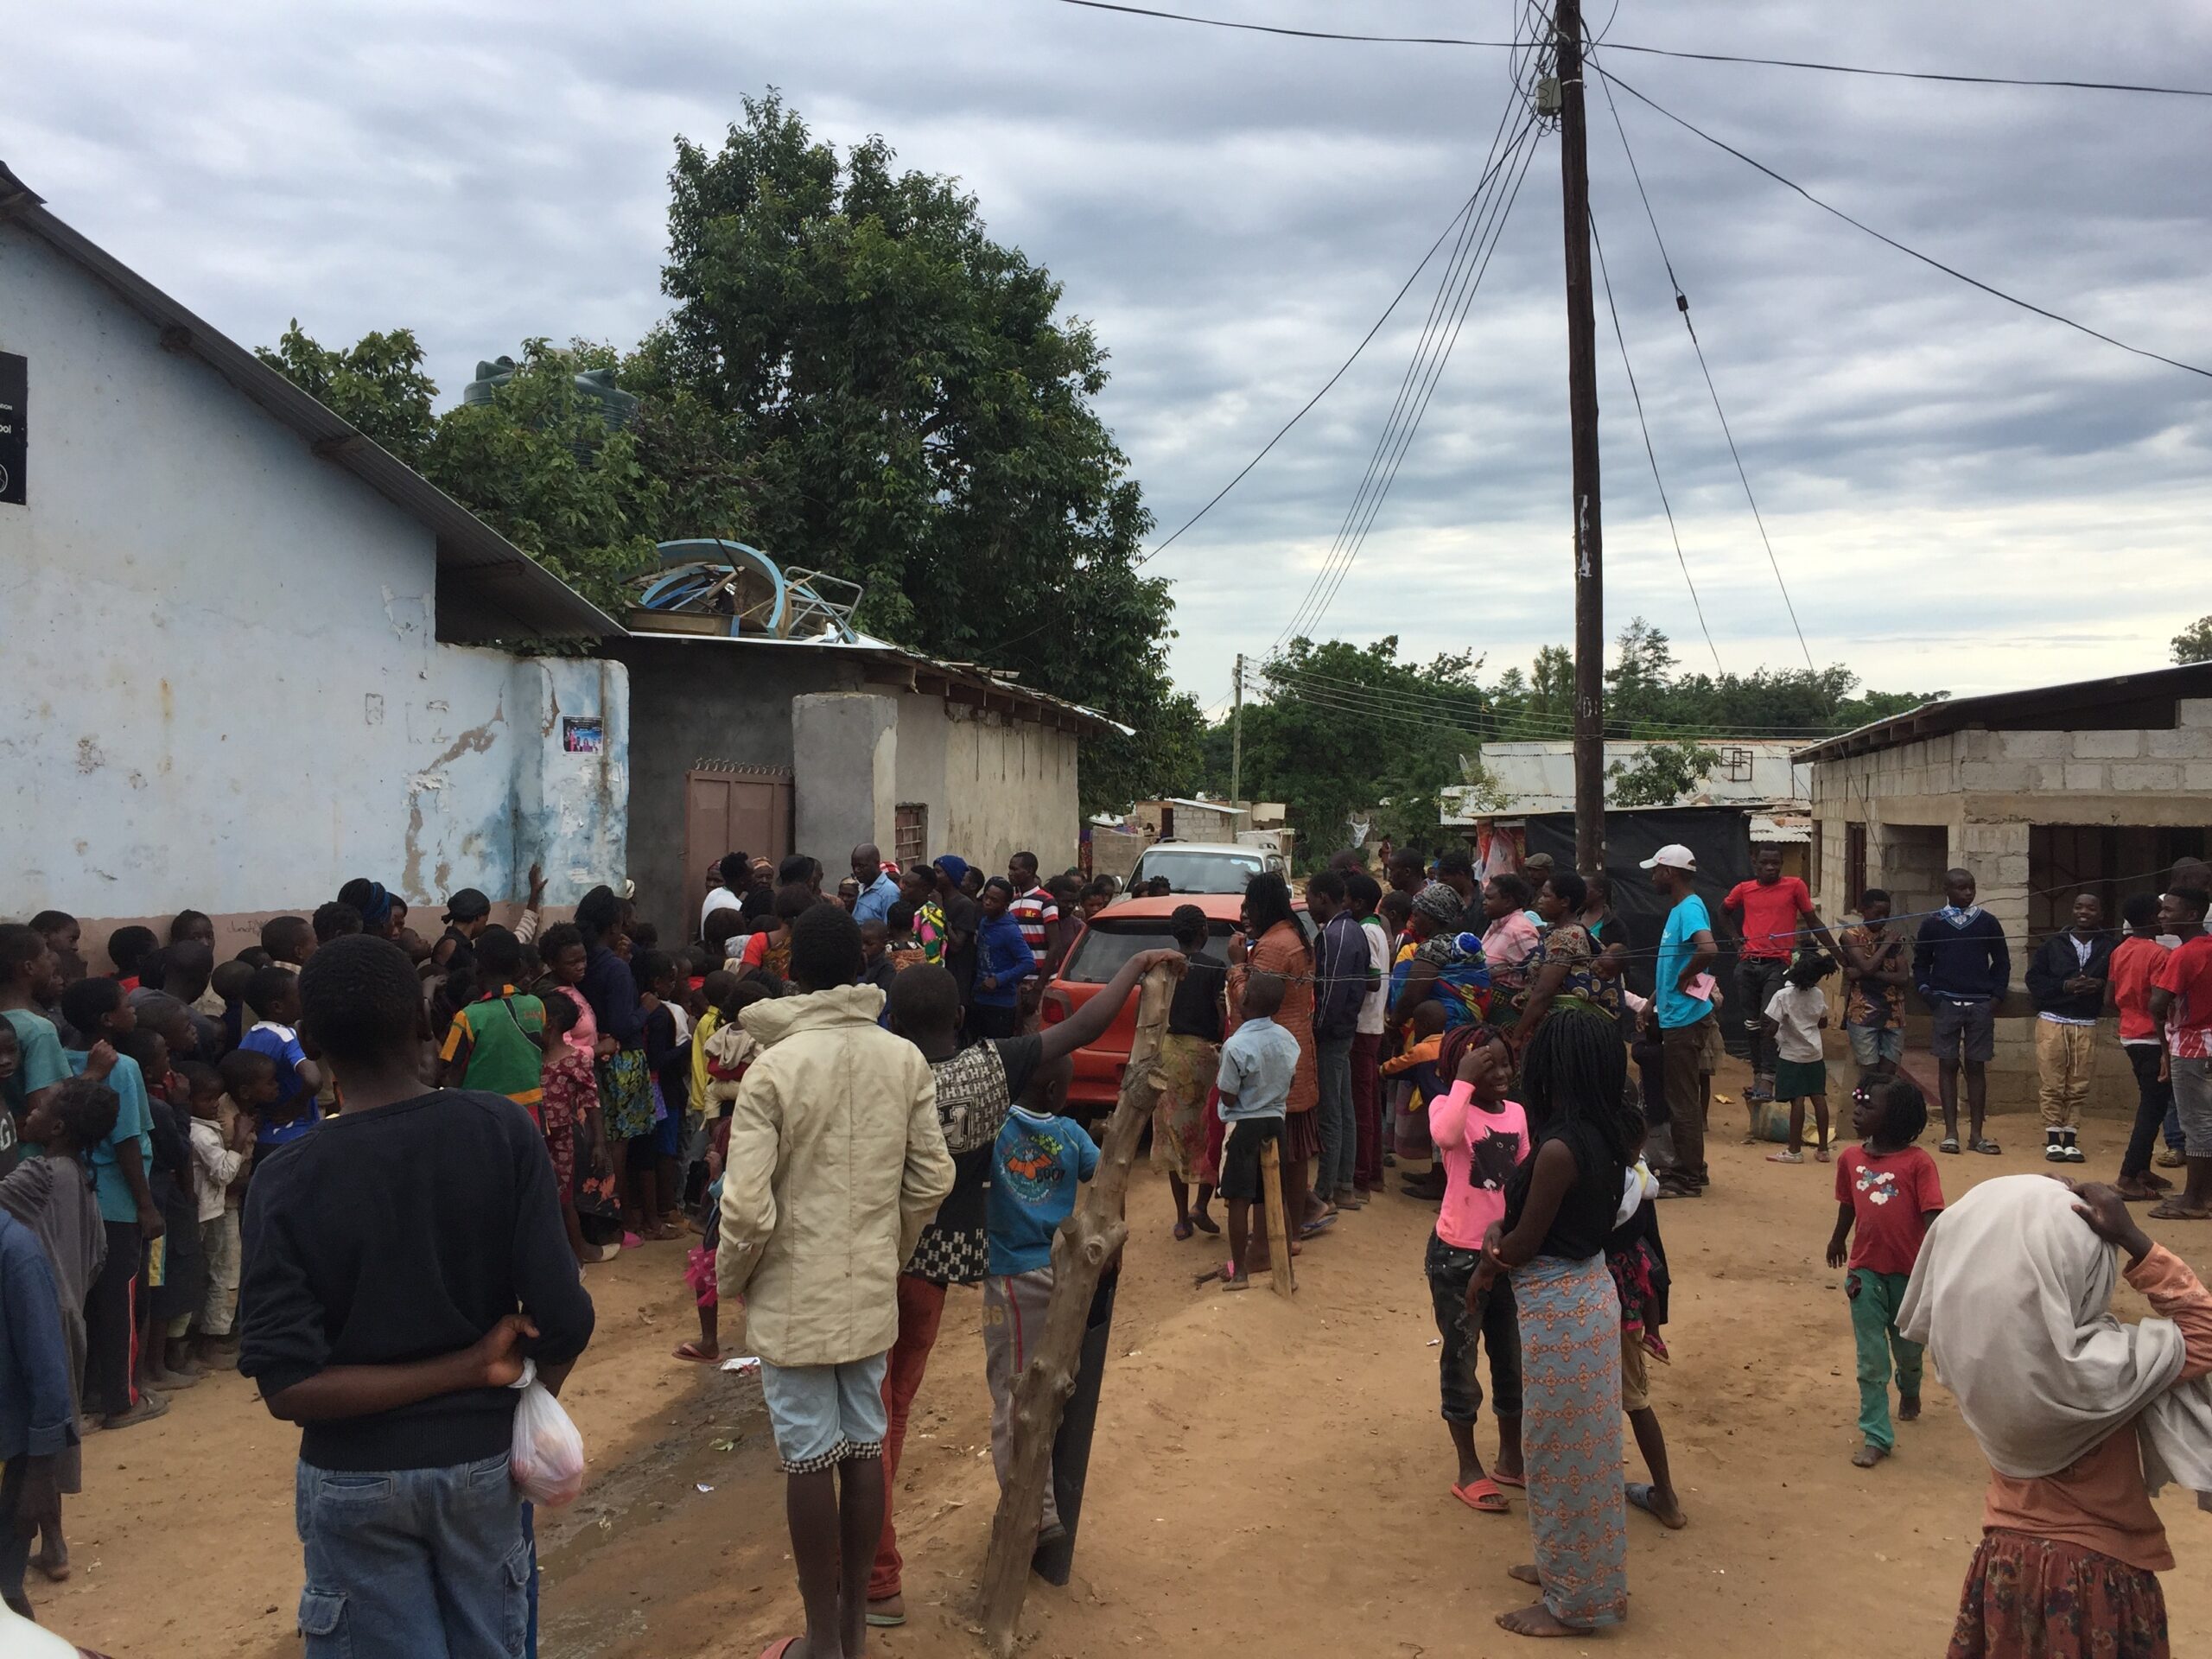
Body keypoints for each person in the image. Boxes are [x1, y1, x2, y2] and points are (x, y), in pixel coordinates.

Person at [240, 935, 595, 1659]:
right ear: (423, 1022)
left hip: (352, 1478)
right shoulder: (497, 1130)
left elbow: (289, 1386)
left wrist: (467, 1373)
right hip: (479, 1465)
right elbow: (565, 1318)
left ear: (311, 1044)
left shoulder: (285, 1177)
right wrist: (491, 1384)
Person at [870, 949, 1180, 1624]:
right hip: (930, 1274)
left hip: (866, 1262)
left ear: (892, 1018)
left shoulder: (880, 1072)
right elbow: (1084, 1027)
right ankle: (880, 1572)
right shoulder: (990, 1073)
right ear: (958, 1015)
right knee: (891, 1413)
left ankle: (873, 1570)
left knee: (863, 1417)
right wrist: (1134, 969)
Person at [715, 906, 955, 1659]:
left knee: (808, 1458)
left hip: (794, 1293)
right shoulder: (901, 1058)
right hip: (867, 1286)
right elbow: (931, 1178)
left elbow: (747, 1209)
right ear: (861, 965)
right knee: (861, 1447)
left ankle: (820, 1642)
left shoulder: (774, 1069)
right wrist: (888, 1247)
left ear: (793, 972)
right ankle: (852, 1634)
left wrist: (734, 1280)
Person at [1899, 1176, 2212, 1659]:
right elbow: (2204, 1330)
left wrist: (2025, 1201)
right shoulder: (2112, 1368)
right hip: (2099, 1580)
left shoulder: (1966, 1353)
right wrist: (2135, 1240)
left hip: (2003, 1568)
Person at [1474, 1010, 1634, 1637]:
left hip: (1561, 1310)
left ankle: (1576, 1604)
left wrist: (1491, 1240)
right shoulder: (1605, 1135)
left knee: (1562, 1452)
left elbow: (1519, 1246)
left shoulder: (1560, 1148)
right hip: (1585, 1296)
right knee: (1573, 1452)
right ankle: (1562, 1568)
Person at [0, 1076, 117, 1588]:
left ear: (58, 1126)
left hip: (35, 1318)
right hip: (72, 1315)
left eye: (41, 1107)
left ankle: (44, 1544)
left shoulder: (39, 1174)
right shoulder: (80, 1177)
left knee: (34, 1434)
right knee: (53, 1426)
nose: (31, 1111)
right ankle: (54, 1545)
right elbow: (99, 1254)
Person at [982, 1053, 1096, 1545]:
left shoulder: (996, 1128)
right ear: (1055, 1094)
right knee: (1049, 1385)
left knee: (1013, 1392)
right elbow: (1098, 1168)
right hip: (1061, 1272)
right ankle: (1040, 1503)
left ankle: (1030, 1508)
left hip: (1010, 1276)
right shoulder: (1071, 1134)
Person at [1425, 1027, 1528, 1513]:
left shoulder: (1518, 1115)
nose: (1504, 1074)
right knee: (1461, 1360)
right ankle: (1469, 1467)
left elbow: (1524, 1181)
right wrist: (1463, 1082)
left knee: (1511, 1358)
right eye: (1491, 1067)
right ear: (1464, 1070)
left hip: (1506, 1255)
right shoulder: (1449, 1110)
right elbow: (1445, 1136)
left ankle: (1511, 1456)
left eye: (1507, 1064)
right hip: (1456, 1256)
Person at [54, 978, 162, 1429]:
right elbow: (128, 1142)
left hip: (72, 1199)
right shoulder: (124, 1067)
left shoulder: (60, 1064)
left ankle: (87, 1394)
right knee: (122, 1302)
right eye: (125, 1005)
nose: (133, 1010)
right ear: (107, 1021)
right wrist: (146, 1205)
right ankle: (122, 1399)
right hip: (117, 1201)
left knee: (81, 1302)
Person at [1825, 1077, 1943, 1467]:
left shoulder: (1918, 1163)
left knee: (1908, 1349)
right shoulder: (1850, 1159)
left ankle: (1910, 1388)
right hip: (1865, 1272)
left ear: (1894, 1118)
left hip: (1909, 1275)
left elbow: (1932, 1217)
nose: (1857, 1111)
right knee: (1872, 1358)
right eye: (1857, 1104)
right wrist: (1838, 1239)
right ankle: (1876, 1433)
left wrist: (1938, 1264)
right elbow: (1848, 1205)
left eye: (1867, 1107)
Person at [1230, 873, 1324, 1233]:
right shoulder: (1296, 936)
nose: (1245, 913)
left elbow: (1251, 1004)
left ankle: (1275, 1233)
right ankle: (1296, 1225)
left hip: (1273, 1056)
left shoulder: (1271, 947)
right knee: (1296, 1152)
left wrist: (1237, 965)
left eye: (1250, 904)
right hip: (1299, 1049)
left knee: (1272, 1152)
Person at [1607, 1122, 1684, 1530]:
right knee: (1635, 1399)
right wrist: (1655, 1323)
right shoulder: (1641, 1178)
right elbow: (1654, 1255)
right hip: (1630, 1305)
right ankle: (1665, 1495)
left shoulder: (1607, 1180)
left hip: (1601, 1298)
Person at [0, 1201, 70, 1623]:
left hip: (10, 1460)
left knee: (5, 1594)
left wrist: (41, 1475)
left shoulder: (16, 1253)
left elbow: (47, 1372)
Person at [575, 887, 656, 1245]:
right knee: (618, 1144)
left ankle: (602, 1216)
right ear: (614, 924)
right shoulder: (616, 969)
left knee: (599, 1139)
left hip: (593, 1055)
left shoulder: (582, 960)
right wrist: (648, 1009)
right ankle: (617, 1220)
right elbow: (625, 1024)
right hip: (622, 1059)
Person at [1723, 848, 1835, 1103]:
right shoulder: (1744, 889)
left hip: (1778, 964)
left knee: (1768, 1020)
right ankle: (1757, 1073)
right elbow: (1723, 912)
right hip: (1748, 964)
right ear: (1755, 863)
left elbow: (1813, 921)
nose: (1771, 867)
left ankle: (1768, 1078)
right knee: (1751, 1023)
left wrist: (1838, 955)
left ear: (1782, 864)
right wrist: (1736, 940)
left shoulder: (1795, 886)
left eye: (1776, 863)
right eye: (1765, 863)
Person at [1915, 867, 2011, 1157]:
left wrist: (1995, 997)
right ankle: (1951, 1133)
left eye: (1971, 887)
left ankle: (1977, 1134)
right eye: (1960, 888)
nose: (1968, 893)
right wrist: (1928, 995)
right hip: (1946, 1004)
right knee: (1947, 1065)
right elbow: (1921, 963)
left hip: (1980, 1005)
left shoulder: (1988, 923)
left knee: (1977, 1066)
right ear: (1947, 890)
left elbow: (2002, 962)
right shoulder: (1933, 923)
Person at [1214, 971, 1300, 1289]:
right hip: (1275, 1121)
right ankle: (1286, 1274)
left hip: (1244, 1125)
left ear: (1244, 1000)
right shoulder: (1288, 1039)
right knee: (1277, 1198)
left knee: (1239, 1198)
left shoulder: (1236, 1045)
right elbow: (1289, 1081)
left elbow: (1228, 1094)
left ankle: (1240, 1274)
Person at [1644, 845, 1717, 1198]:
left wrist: (1686, 977)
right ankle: (1693, 1168)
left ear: (1669, 873)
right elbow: (1675, 963)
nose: (1652, 877)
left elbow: (1708, 949)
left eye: (1655, 870)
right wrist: (1652, 1002)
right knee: (1680, 1097)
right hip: (1674, 1013)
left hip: (1684, 1020)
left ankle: (1687, 1176)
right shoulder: (1681, 909)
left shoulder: (1688, 909)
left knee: (1681, 1100)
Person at [2027, 891, 2117, 1166]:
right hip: (2052, 1021)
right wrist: (2065, 986)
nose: (2084, 912)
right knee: (2052, 1083)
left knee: (2078, 1084)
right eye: (2079, 907)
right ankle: (2053, 1139)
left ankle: (2071, 1139)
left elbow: (2115, 980)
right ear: (2073, 911)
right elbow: (2034, 980)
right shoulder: (2053, 945)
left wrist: (2099, 985)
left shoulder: (2110, 947)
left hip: (2086, 1023)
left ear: (2100, 914)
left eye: (2091, 908)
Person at [201, 1048, 278, 1363]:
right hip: (221, 1204)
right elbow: (223, 1176)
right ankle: (213, 1340)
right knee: (225, 1268)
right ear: (246, 1090)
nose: (277, 1087)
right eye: (270, 1083)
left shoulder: (243, 1112)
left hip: (230, 1201)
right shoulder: (227, 1120)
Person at [1155, 906, 1226, 1240]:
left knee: (1174, 1136)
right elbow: (1222, 1014)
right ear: (1203, 931)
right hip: (1204, 1056)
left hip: (1169, 1055)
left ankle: (1181, 1219)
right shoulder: (1215, 968)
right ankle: (1201, 1205)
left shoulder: (1164, 965)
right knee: (1209, 1130)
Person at [435, 925, 548, 1115]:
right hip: (530, 1113)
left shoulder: (469, 1016)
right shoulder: (536, 1006)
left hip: (485, 1114)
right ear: (520, 966)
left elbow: (450, 1077)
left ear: (477, 966)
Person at [2150, 886, 2212, 1222]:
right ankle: (2205, 1194)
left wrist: (2163, 1049)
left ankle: (2194, 1200)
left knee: (2196, 1124)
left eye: (2168, 910)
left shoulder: (2184, 954)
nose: (2161, 916)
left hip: (2190, 1045)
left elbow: (2157, 1004)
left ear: (2191, 915)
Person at [1307, 870, 1367, 1213]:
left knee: (1331, 1112)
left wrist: (1317, 1028)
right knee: (1343, 1109)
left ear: (1323, 898)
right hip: (1344, 1030)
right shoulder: (1350, 929)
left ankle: (1326, 1188)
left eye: (1312, 898)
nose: (1311, 905)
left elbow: (1331, 991)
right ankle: (1343, 1185)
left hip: (1333, 1033)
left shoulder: (1336, 934)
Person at [2113, 893, 2178, 1203]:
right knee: (2152, 1108)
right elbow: (2158, 1005)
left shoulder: (2121, 950)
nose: (2164, 917)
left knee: (2152, 1103)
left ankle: (2141, 1170)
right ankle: (2128, 1175)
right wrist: (2166, 1049)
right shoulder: (2159, 955)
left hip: (2130, 1034)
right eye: (2159, 912)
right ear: (2152, 919)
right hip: (2153, 1038)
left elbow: (2112, 994)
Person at [539, 992, 611, 1268]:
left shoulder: (576, 1059)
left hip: (561, 1138)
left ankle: (576, 1257)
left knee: (564, 1198)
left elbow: (592, 1102)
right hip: (537, 1135)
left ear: (551, 1023)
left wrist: (599, 1143)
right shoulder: (533, 1055)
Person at [0, 927, 74, 1182]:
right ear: (28, 967)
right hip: (25, 1167)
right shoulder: (38, 1030)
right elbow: (43, 1118)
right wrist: (92, 1074)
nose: (51, 960)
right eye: (45, 954)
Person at [1511, 871, 1606, 1046]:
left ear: (1564, 902)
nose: (1539, 900)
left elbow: (1544, 993)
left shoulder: (1566, 936)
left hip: (1560, 1032)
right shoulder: (1555, 931)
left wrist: (1517, 1035)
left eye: (1546, 896)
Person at [1762, 952, 1834, 1165]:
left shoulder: (1783, 995)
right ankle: (1823, 1150)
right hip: (1814, 1053)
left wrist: (1770, 1036)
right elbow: (1822, 1023)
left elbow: (1771, 1026)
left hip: (1791, 1054)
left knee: (1797, 1100)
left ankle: (1794, 1151)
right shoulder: (1818, 994)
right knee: (1818, 1097)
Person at [1390, 883, 1491, 1033]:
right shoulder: (1460, 944)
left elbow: (1412, 998)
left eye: (1417, 915)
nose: (1413, 921)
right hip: (1466, 1031)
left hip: (1439, 1031)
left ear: (1431, 918)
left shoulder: (1432, 948)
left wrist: (1393, 1024)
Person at [238, 968, 320, 1147]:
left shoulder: (250, 1037)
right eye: (299, 995)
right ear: (277, 1007)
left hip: (264, 1136)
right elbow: (314, 1080)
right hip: (296, 1134)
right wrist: (297, 1104)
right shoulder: (287, 1036)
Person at [1836, 889, 1910, 1083]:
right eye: (1877, 913)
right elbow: (1867, 966)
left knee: (1888, 1074)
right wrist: (1885, 946)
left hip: (1894, 1011)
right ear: (1863, 910)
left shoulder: (1895, 938)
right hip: (1863, 1011)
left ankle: (1884, 1111)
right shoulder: (1850, 936)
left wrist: (1862, 974)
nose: (1882, 918)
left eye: (1886, 914)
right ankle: (1866, 1108)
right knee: (1869, 1073)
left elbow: (1903, 978)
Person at [1346, 873, 1391, 1196]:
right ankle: (1372, 1169)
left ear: (1358, 903)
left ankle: (1361, 1174)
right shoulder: (1376, 929)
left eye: (1345, 898)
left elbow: (1372, 979)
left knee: (1360, 1104)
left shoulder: (1365, 931)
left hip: (1363, 1026)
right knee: (1368, 1101)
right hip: (1372, 1025)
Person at [971, 878, 1037, 1040]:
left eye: (994, 900)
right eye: (986, 897)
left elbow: (1028, 962)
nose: (987, 902)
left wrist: (999, 980)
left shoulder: (1010, 931)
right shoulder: (985, 922)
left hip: (1001, 1003)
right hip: (979, 997)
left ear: (1006, 904)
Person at [1480, 874, 1541, 997]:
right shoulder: (1498, 923)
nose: (1484, 903)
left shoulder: (1519, 930)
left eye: (1489, 898)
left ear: (1508, 901)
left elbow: (1536, 973)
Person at [431, 887, 493, 978]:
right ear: (478, 917)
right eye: (485, 921)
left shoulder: (462, 944)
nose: (484, 926)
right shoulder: (450, 944)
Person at [701, 851, 752, 938]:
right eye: (752, 874)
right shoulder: (735, 907)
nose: (755, 878)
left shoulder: (713, 894)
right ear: (742, 879)